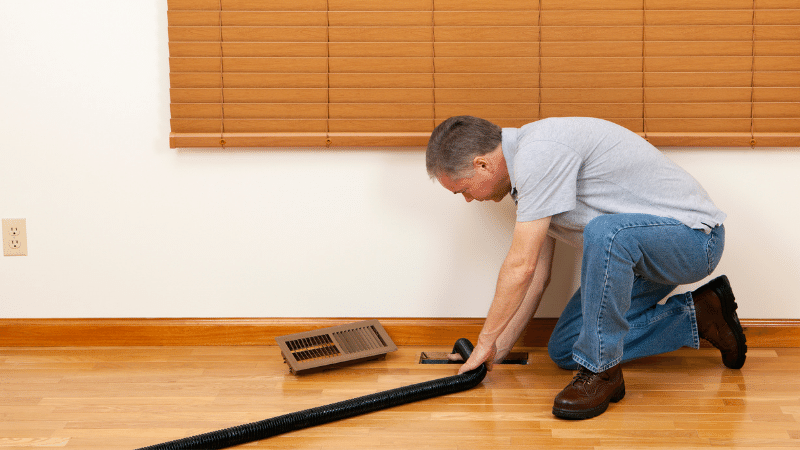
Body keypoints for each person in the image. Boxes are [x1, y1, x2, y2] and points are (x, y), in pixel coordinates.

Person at [427, 116, 747, 420]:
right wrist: (496, 350)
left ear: (481, 164)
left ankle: (602, 373)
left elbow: (520, 266)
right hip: (639, 260)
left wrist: (483, 341)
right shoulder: (529, 177)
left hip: (693, 243)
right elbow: (536, 273)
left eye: (463, 189)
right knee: (568, 349)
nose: (467, 200)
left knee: (603, 231)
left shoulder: (539, 154)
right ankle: (702, 313)